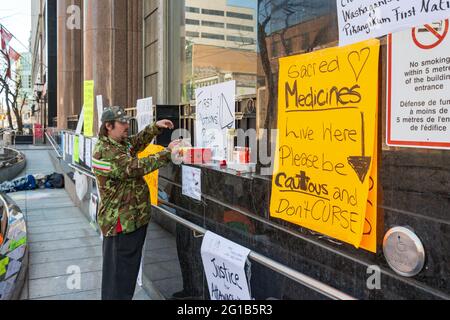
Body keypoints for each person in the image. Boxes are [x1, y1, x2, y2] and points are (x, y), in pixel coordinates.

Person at [92, 106, 180, 300]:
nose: (126, 126)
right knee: (119, 279)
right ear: (108, 126)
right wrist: (167, 152)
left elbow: (135, 143)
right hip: (121, 225)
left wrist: (154, 128)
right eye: (122, 123)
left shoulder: (117, 143)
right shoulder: (106, 152)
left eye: (127, 122)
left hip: (131, 221)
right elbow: (135, 167)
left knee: (125, 275)